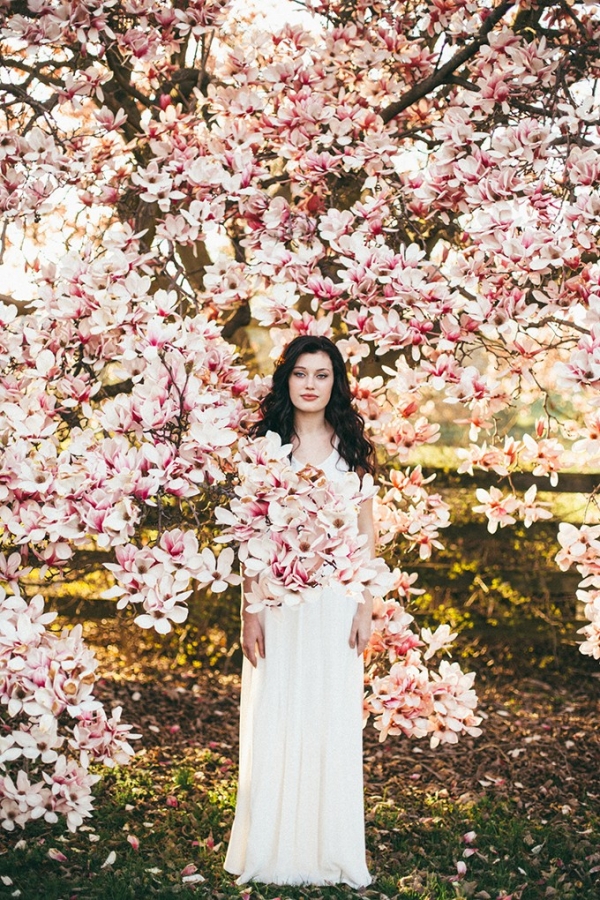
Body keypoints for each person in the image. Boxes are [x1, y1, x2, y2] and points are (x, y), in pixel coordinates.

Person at [223, 334, 376, 887]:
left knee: (329, 716)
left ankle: (328, 850)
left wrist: (367, 605)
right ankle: (270, 848)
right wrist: (250, 610)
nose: (311, 384)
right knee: (278, 713)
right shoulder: (264, 447)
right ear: (286, 379)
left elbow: (366, 533)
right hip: (278, 599)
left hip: (336, 600)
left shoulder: (352, 449)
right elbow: (249, 533)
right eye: (301, 374)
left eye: (322, 375)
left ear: (335, 384)